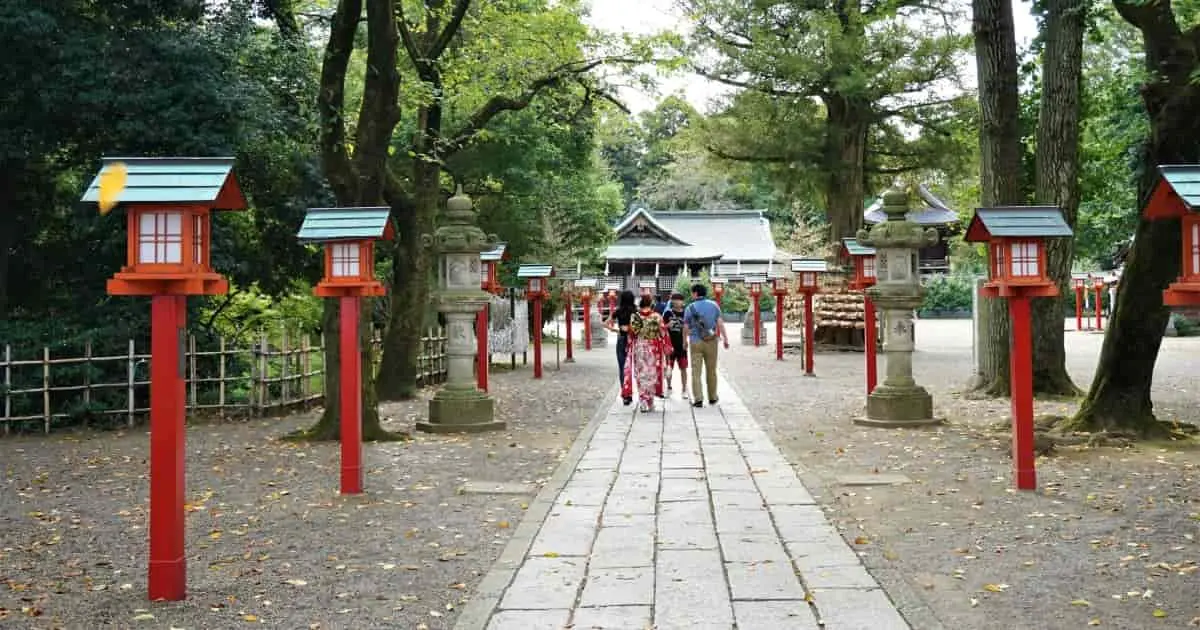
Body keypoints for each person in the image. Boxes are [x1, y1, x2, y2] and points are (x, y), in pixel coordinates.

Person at [684, 283, 729, 407]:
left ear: (695, 293)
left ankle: (698, 399)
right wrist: (726, 339)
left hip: (695, 342)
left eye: (692, 293)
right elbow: (720, 323)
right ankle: (713, 397)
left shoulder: (690, 307)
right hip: (711, 341)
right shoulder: (714, 305)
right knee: (711, 370)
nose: (691, 295)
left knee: (696, 372)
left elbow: (686, 326)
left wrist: (684, 341)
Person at [625, 295, 669, 412]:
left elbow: (631, 334)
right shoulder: (657, 316)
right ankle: (650, 401)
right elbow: (663, 332)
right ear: (651, 304)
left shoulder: (635, 316)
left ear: (640, 304)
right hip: (653, 347)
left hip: (640, 346)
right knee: (652, 373)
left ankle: (643, 400)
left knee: (641, 373)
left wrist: (629, 345)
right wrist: (666, 346)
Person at [605, 290, 637, 406]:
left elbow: (605, 323)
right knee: (635, 367)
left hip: (621, 340)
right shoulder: (636, 311)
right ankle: (636, 393)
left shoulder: (618, 311)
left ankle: (626, 395)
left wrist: (616, 330)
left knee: (623, 367)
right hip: (634, 341)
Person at [661, 292, 689, 400]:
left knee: (683, 368)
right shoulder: (667, 313)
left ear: (683, 301)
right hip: (670, 345)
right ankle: (668, 387)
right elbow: (661, 328)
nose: (677, 302)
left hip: (682, 345)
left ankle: (684, 389)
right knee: (669, 368)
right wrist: (668, 325)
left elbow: (690, 328)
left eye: (679, 300)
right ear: (672, 301)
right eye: (675, 299)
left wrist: (686, 339)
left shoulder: (686, 313)